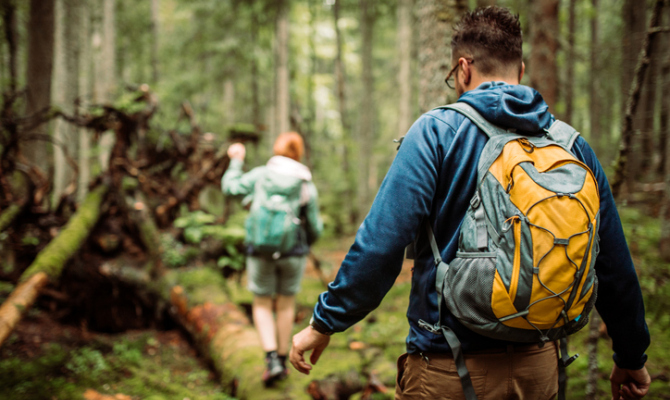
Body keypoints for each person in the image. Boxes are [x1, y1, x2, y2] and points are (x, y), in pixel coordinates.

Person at [290, 6, 651, 400]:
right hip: (540, 369)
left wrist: (324, 323)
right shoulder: (571, 145)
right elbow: (613, 264)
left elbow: (381, 244)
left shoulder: (436, 132)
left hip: (448, 370)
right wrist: (631, 357)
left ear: (463, 69)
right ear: (521, 70)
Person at [222, 132, 323, 386]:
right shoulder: (304, 183)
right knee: (286, 305)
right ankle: (283, 356)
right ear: (298, 153)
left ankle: (271, 361)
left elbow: (230, 187)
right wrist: (305, 243)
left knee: (262, 303)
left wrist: (235, 160)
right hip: (293, 253)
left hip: (260, 251)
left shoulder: (261, 175)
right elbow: (315, 226)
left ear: (277, 150)